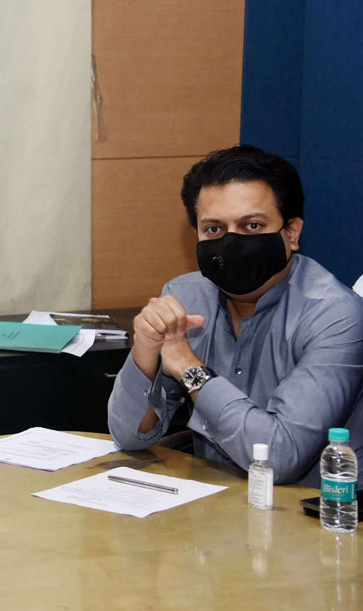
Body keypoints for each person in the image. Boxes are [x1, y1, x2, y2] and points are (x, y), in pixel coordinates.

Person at [107, 145, 363, 486]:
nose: (231, 243)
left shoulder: (335, 315)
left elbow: (278, 457)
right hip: (211, 512)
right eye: (214, 229)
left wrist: (188, 368)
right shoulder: (184, 297)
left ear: (292, 232)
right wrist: (146, 350)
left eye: (252, 226)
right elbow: (130, 437)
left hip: (314, 522)